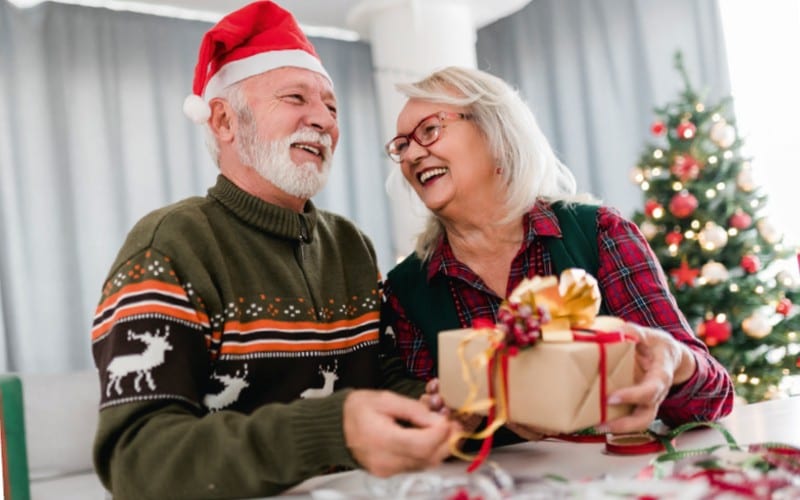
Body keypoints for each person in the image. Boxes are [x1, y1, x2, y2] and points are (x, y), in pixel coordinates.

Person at [90, 3, 458, 498]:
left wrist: (448, 406)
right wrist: (330, 428)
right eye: (295, 98)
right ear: (222, 120)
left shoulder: (351, 245)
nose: (323, 121)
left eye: (332, 107)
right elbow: (135, 459)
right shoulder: (170, 246)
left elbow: (382, 381)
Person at [381, 66, 734, 439]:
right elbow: (421, 439)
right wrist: (451, 422)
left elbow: (710, 402)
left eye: (429, 130)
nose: (412, 155)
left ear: (496, 133)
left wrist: (676, 363)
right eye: (401, 145)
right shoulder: (407, 289)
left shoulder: (599, 234)